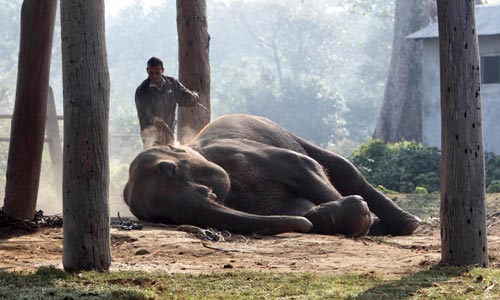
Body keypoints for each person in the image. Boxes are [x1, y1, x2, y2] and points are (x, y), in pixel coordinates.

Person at [135, 57, 199, 147]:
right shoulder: (142, 90)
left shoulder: (172, 84)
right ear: (147, 70)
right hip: (150, 135)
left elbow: (183, 96)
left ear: (163, 70)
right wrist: (153, 119)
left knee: (171, 155)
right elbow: (142, 113)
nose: (154, 76)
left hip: (169, 130)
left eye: (157, 73)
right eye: (151, 73)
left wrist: (193, 97)